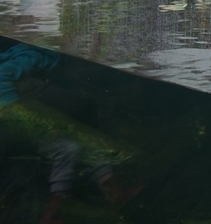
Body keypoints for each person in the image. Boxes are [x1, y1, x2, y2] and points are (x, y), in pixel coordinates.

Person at [0, 42, 138, 224]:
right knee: (67, 144)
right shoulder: (32, 55)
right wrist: (23, 116)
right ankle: (51, 216)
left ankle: (111, 190)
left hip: (30, 117)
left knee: (72, 142)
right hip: (15, 119)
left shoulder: (46, 57)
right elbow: (2, 78)